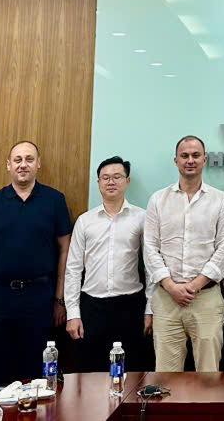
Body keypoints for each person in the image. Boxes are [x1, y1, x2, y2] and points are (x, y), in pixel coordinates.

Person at [0, 141, 72, 386]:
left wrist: (60, 300)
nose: (23, 165)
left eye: (29, 159)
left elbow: (66, 250)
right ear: (8, 165)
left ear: (38, 164)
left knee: (36, 377)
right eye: (18, 159)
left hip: (39, 299)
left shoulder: (54, 200)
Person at [143, 136, 224, 372]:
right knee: (166, 376)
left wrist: (194, 285)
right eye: (184, 156)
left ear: (205, 159)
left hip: (206, 298)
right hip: (166, 299)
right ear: (176, 160)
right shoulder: (158, 200)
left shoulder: (221, 200)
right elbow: (150, 247)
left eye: (196, 155)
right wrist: (171, 286)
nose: (190, 160)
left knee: (208, 374)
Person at [64, 156, 152, 372]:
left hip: (130, 306)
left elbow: (151, 268)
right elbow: (73, 269)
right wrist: (73, 313)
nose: (111, 182)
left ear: (127, 181)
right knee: (91, 372)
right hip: (92, 307)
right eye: (105, 178)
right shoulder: (85, 221)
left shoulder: (141, 217)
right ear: (98, 183)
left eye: (117, 177)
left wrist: (150, 309)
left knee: (132, 371)